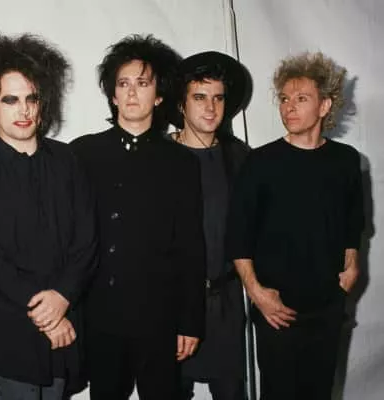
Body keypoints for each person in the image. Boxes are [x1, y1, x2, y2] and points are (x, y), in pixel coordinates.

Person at [0, 33, 97, 399]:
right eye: (11, 100)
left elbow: (86, 241)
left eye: (32, 98)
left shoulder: (66, 160)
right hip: (11, 330)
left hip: (66, 324)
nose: (24, 111)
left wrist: (62, 298)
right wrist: (46, 313)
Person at [70, 34, 206, 400]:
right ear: (112, 94)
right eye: (123, 84)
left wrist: (190, 321)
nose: (132, 93)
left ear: (159, 95)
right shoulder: (82, 153)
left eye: (143, 84)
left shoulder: (181, 162)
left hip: (159, 317)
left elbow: (191, 246)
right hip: (100, 315)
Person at [227, 52, 364, 400]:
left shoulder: (346, 160)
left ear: (324, 106)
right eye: (285, 99)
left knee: (320, 392)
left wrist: (351, 264)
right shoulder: (260, 162)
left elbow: (354, 221)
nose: (289, 107)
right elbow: (237, 236)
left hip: (327, 306)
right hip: (278, 309)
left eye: (301, 98)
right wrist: (258, 294)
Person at [169, 51, 250, 400]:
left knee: (230, 391)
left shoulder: (239, 157)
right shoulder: (160, 156)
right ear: (181, 104)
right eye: (200, 97)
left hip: (225, 301)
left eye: (218, 98)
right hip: (171, 302)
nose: (210, 107)